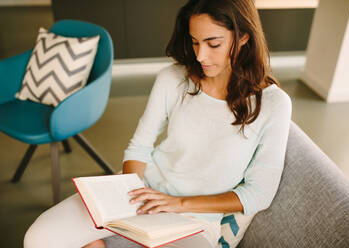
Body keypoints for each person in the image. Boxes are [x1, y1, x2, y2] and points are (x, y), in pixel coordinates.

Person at [23, 0, 292, 247]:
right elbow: (139, 147)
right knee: (39, 238)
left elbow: (259, 193)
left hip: (195, 221)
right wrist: (127, 191)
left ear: (244, 37)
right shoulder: (172, 79)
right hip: (140, 194)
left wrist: (178, 204)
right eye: (195, 42)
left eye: (213, 44)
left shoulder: (273, 105)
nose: (200, 56)